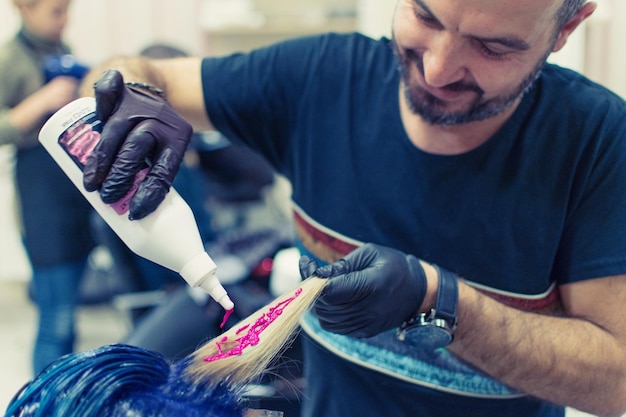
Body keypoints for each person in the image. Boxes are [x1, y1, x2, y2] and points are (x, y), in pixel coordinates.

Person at [78, 0, 626, 416]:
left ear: (566, 28)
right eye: (425, 16)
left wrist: (442, 303)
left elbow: (616, 381)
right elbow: (139, 71)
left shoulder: (597, 142)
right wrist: (132, 97)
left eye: (493, 47)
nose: (438, 69)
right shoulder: (320, 79)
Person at [0, 0, 95, 375]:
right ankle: (41, 402)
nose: (64, 19)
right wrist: (42, 100)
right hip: (41, 199)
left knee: (69, 319)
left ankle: (63, 397)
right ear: (25, 7)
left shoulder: (62, 50)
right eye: (56, 11)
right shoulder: (9, 59)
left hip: (70, 191)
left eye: (67, 10)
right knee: (56, 318)